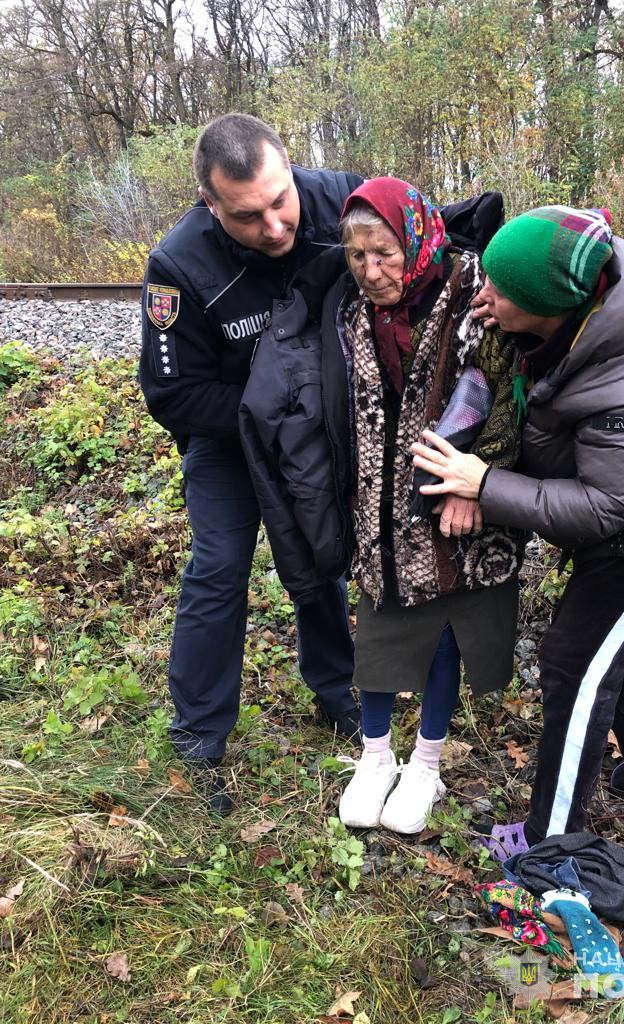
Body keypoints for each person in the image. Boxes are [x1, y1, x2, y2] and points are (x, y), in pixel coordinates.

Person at [412, 204, 624, 856]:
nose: (485, 297)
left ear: (552, 308)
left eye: (502, 292)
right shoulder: (569, 324)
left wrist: (484, 484)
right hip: (622, 527)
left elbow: (601, 506)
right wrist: (504, 319)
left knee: (577, 663)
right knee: (622, 651)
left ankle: (549, 840)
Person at [138, 113, 363, 815]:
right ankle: (198, 737)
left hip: (316, 427)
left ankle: (337, 692)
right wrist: (271, 411)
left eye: (279, 200)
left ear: (290, 167)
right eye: (247, 215)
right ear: (210, 204)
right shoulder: (178, 266)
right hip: (228, 438)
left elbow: (419, 250)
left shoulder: (343, 203)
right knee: (219, 568)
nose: (273, 227)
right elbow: (173, 394)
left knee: (319, 553)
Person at [326, 177, 524, 834]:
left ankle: (427, 765)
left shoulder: (473, 293)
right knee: (379, 621)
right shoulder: (355, 313)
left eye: (383, 252)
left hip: (458, 497)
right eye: (356, 257)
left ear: (415, 237)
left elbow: (506, 393)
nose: (371, 271)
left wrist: (479, 483)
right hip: (380, 504)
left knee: (447, 626)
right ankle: (376, 756)